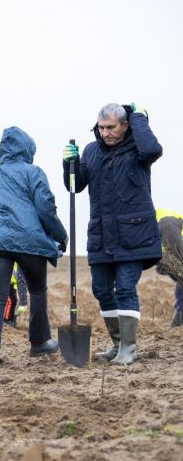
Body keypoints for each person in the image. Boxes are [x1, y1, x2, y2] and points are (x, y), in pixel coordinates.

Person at [63, 103, 162, 365]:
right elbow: (75, 186)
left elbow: (153, 149)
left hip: (133, 234)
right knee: (102, 290)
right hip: (101, 236)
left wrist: (138, 115)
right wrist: (69, 164)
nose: (104, 132)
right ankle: (117, 345)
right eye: (101, 127)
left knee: (125, 288)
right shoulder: (91, 151)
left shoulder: (138, 149)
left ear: (125, 125)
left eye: (110, 127)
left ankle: (128, 349)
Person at [0, 127, 68, 368]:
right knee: (37, 292)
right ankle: (39, 343)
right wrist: (61, 235)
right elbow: (46, 208)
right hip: (30, 242)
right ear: (28, 149)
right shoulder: (34, 172)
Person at [154, 208, 183, 327]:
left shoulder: (166, 224)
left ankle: (178, 327)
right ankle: (177, 327)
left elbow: (179, 255)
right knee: (180, 293)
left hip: (180, 259)